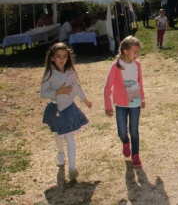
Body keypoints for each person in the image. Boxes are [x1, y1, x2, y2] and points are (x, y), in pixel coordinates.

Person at [40, 43, 92, 180]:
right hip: (56, 108)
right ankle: (60, 152)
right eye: (58, 56)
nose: (61, 59)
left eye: (64, 56)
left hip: (69, 108)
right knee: (59, 134)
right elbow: (43, 93)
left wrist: (84, 100)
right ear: (52, 58)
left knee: (69, 136)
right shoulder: (49, 73)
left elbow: (77, 86)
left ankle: (72, 167)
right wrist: (58, 92)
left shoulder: (71, 72)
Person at [104, 36, 146, 168]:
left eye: (138, 52)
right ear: (126, 51)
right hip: (121, 105)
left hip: (135, 104)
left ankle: (135, 155)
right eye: (135, 52)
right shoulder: (116, 66)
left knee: (134, 130)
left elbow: (140, 83)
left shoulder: (137, 65)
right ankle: (125, 142)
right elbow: (107, 87)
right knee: (122, 131)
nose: (137, 55)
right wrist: (108, 105)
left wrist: (142, 98)